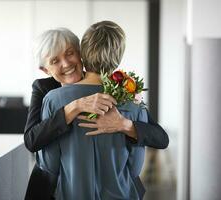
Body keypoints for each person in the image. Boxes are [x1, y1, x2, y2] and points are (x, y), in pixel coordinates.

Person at [24, 27, 169, 199]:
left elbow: (161, 138)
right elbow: (32, 140)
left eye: (70, 53)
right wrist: (73, 108)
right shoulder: (44, 90)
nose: (66, 63)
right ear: (45, 70)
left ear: (81, 53)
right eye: (55, 61)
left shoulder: (123, 91)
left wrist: (124, 124)